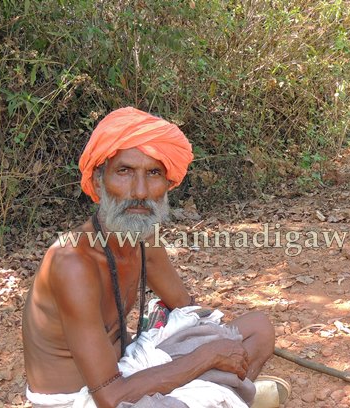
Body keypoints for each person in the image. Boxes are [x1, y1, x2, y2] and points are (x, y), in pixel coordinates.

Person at [22, 107, 289, 408]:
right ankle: (232, 395)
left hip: (127, 369)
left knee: (258, 329)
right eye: (124, 172)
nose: (140, 191)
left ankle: (226, 395)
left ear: (168, 184)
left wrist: (213, 349)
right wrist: (207, 358)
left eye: (153, 173)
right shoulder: (71, 263)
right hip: (84, 399)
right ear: (99, 181)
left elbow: (187, 310)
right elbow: (110, 397)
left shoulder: (145, 238)